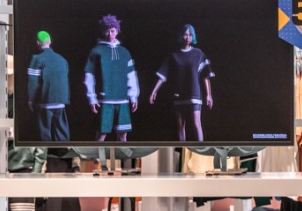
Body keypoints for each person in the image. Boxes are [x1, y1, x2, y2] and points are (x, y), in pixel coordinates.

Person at [149, 24, 214, 141]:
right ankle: (182, 148)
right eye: (185, 34)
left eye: (190, 35)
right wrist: (154, 91)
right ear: (181, 36)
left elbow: (206, 76)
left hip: (194, 93)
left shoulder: (198, 53)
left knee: (197, 124)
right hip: (179, 94)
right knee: (180, 126)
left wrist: (209, 95)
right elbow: (163, 75)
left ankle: (200, 149)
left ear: (193, 36)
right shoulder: (174, 55)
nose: (188, 37)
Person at [85, 14, 139, 143]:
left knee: (123, 136)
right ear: (103, 31)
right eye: (107, 30)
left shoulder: (125, 52)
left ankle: (121, 156)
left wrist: (133, 96)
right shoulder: (96, 51)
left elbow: (131, 75)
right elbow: (89, 76)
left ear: (117, 31)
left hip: (123, 100)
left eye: (113, 30)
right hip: (105, 100)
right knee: (101, 136)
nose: (110, 34)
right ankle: (97, 155)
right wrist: (92, 97)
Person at [26, 30, 71, 142]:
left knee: (44, 134)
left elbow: (33, 82)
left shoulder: (37, 59)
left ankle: (45, 151)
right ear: (50, 42)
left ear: (38, 42)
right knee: (62, 133)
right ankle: (64, 151)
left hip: (45, 102)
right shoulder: (62, 59)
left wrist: (31, 99)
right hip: (61, 101)